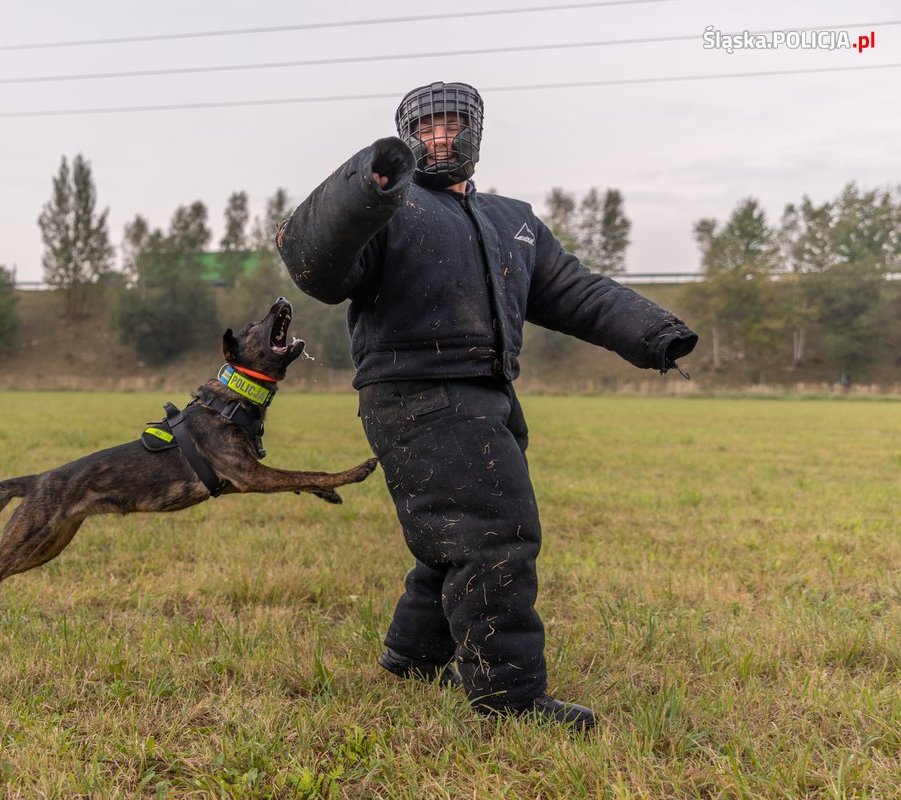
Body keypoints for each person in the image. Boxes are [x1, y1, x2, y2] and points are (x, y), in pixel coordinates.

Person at [276, 81, 697, 730]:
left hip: (489, 395)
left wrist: (655, 334)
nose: (439, 137)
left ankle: (410, 659)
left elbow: (575, 292)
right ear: (407, 140)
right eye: (426, 129)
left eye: (451, 125)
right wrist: (369, 184)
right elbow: (319, 265)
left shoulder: (513, 221)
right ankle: (510, 698)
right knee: (493, 538)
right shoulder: (390, 210)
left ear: (474, 131)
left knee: (454, 536)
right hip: (414, 395)